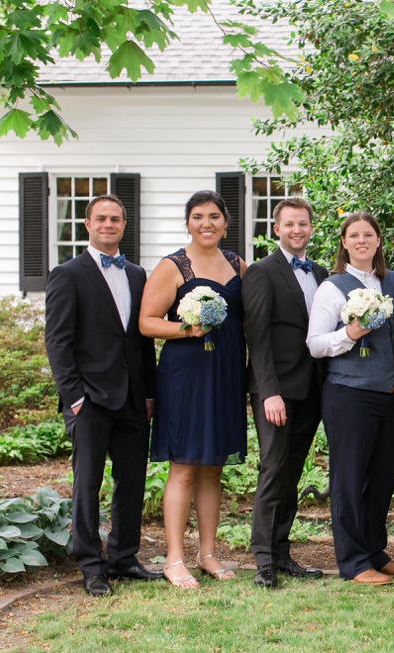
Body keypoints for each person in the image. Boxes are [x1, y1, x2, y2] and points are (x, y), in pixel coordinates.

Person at [44, 194, 162, 596]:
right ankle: (91, 566)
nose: (109, 224)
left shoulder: (136, 274)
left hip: (132, 399)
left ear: (124, 226)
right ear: (88, 224)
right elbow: (58, 343)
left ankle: (124, 558)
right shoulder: (68, 273)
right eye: (102, 219)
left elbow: (142, 341)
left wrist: (149, 394)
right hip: (89, 400)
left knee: (131, 481)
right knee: (87, 484)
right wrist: (74, 397)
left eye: (116, 219)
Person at [139, 190, 248, 588]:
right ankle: (173, 558)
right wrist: (186, 329)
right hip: (186, 375)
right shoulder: (172, 266)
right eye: (199, 216)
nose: (207, 223)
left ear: (225, 222)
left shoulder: (238, 264)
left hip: (226, 374)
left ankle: (208, 553)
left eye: (215, 216)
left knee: (213, 466)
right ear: (188, 222)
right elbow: (148, 322)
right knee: (184, 466)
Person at [307, 211, 394, 586]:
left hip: (393, 395)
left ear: (378, 240)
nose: (362, 240)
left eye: (368, 234)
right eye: (354, 235)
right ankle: (353, 561)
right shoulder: (332, 287)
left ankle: (374, 550)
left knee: (382, 479)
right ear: (344, 243)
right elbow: (316, 344)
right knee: (350, 481)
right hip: (350, 395)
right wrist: (350, 333)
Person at [243, 198, 328, 588]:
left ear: (311, 228)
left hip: (312, 388)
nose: (297, 230)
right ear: (276, 229)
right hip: (277, 391)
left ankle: (281, 552)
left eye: (303, 224)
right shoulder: (262, 272)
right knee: (273, 468)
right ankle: (262, 560)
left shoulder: (322, 272)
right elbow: (257, 338)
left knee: (292, 472)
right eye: (289, 224)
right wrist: (268, 393)